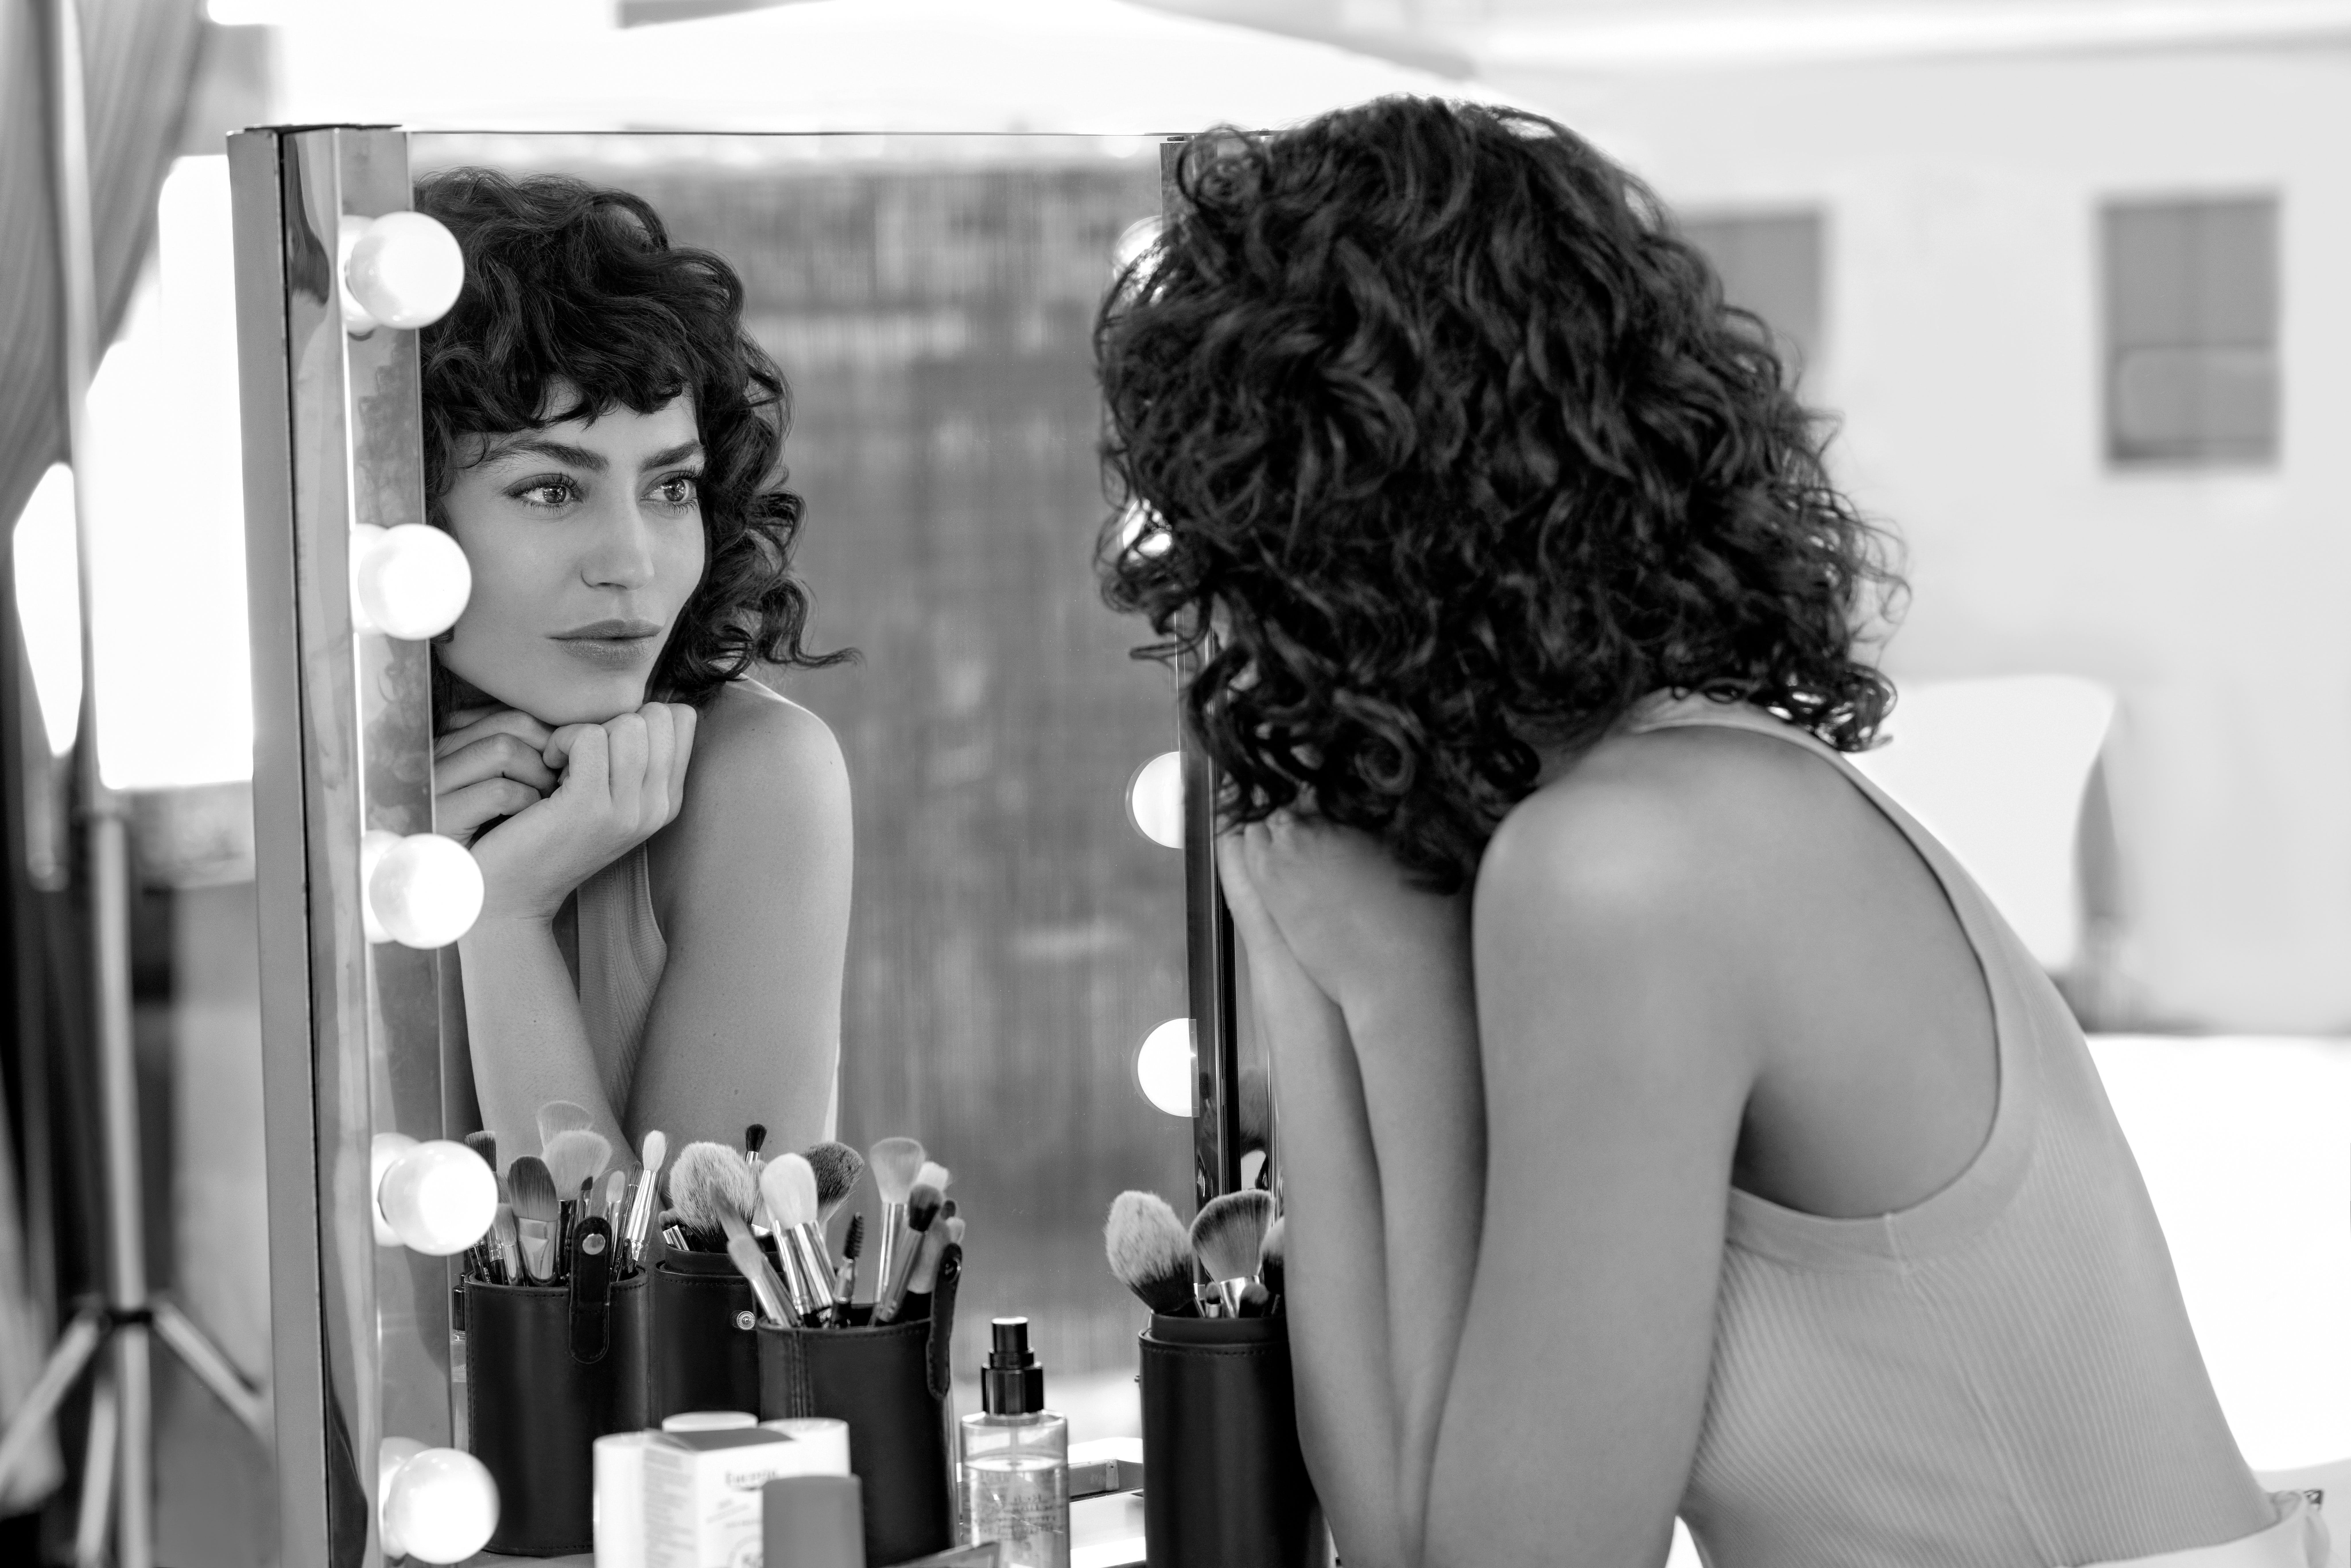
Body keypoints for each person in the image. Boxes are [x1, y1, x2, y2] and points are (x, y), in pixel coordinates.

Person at [1096, 99, 2305, 1568]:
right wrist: (1311, 969)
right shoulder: (1649, 805)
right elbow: (1402, 1530)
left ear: (1319, 523)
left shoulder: (1630, 866)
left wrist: (1392, 995)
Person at [417, 168, 853, 1169]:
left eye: (671, 488)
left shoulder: (757, 775)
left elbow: (680, 1311)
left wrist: (504, 917)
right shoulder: (331, 793)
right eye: (550, 490)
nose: (632, 563)